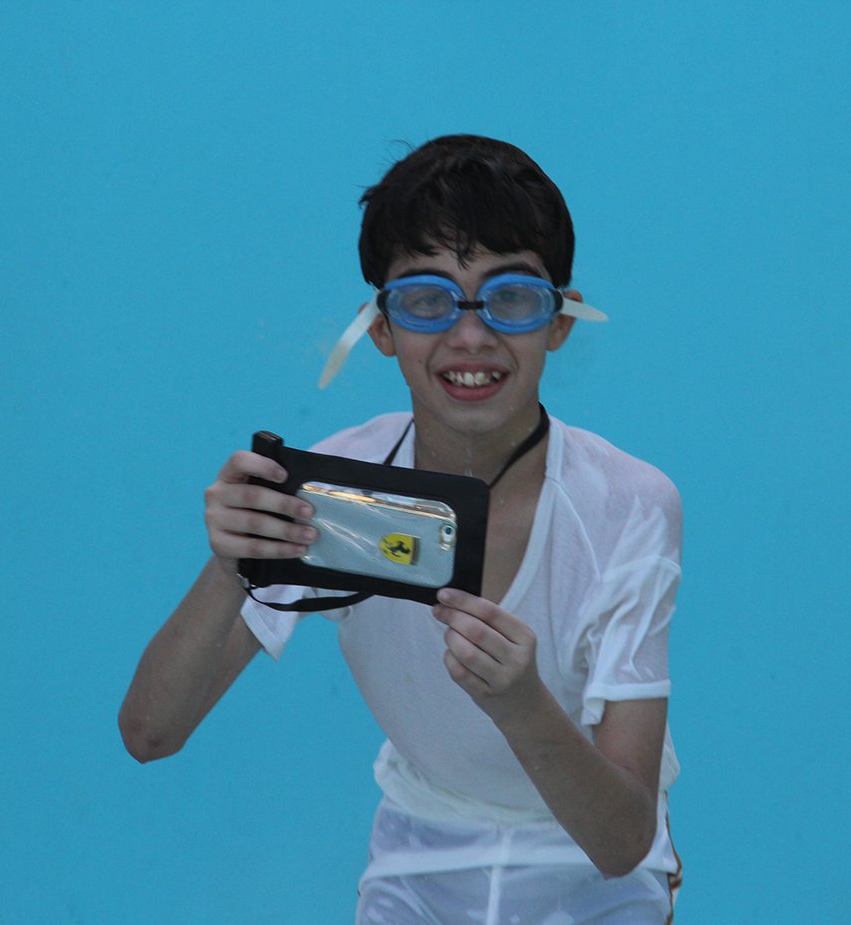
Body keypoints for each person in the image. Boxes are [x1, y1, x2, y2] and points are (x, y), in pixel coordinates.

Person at [119, 134, 683, 924]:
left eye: (510, 297)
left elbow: (621, 842)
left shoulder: (626, 505)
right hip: (419, 867)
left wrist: (521, 705)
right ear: (380, 327)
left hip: (591, 875)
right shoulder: (335, 491)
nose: (470, 336)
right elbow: (150, 733)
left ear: (558, 319)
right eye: (426, 300)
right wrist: (228, 566)